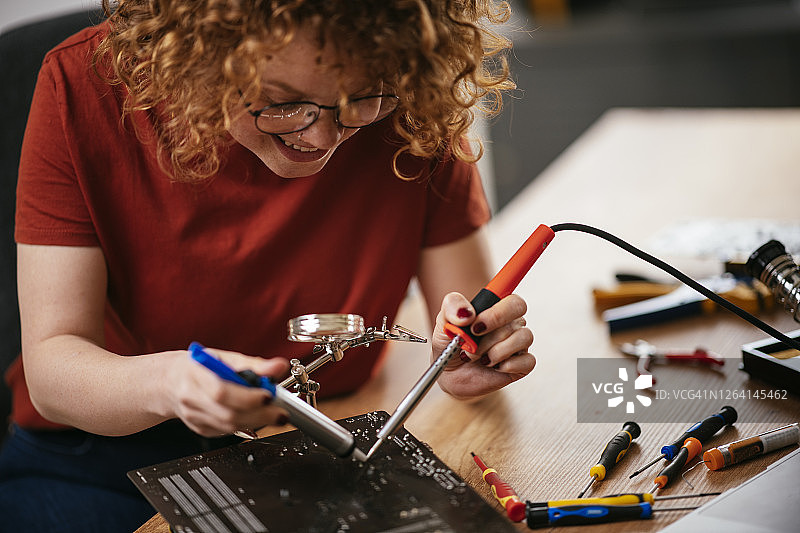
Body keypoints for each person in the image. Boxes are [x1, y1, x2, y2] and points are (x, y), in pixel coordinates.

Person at [0, 0, 535, 531]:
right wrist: (171, 384)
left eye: (362, 98)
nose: (321, 139)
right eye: (278, 103)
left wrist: (467, 353)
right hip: (104, 462)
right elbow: (52, 370)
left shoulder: (412, 97)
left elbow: (462, 310)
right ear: (200, 58)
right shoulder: (84, 86)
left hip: (329, 436)